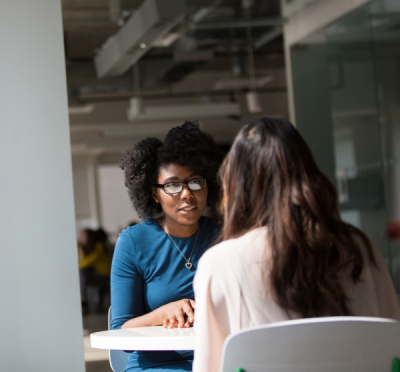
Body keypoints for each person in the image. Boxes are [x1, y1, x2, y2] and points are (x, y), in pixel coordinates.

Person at [192, 117, 400, 372]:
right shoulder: (360, 249)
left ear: (238, 187)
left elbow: (208, 368)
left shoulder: (221, 264)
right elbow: (393, 349)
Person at [111, 121, 223, 372]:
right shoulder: (134, 242)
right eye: (173, 185)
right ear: (154, 193)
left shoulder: (225, 235)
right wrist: (164, 314)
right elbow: (120, 333)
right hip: (157, 365)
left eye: (195, 182)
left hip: (220, 360)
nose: (186, 194)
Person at [78, 228, 112, 314]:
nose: (81, 239)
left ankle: (83, 300)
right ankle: (83, 301)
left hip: (103, 276)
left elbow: (86, 263)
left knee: (82, 273)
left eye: (83, 236)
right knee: (82, 274)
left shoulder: (98, 247)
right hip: (96, 274)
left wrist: (81, 252)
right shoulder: (90, 248)